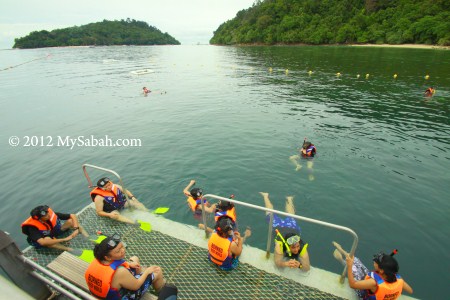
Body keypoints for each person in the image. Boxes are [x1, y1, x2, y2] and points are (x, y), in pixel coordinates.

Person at [85, 233, 165, 299]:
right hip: (124, 296)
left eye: (122, 247)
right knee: (157, 271)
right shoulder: (120, 272)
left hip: (101, 295)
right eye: (118, 251)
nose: (123, 251)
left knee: (134, 258)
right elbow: (136, 285)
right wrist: (147, 272)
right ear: (108, 257)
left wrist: (128, 264)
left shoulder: (99, 260)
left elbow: (112, 266)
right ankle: (160, 291)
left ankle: (139, 273)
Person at [332, 241, 413, 299]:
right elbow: (410, 291)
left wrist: (349, 266)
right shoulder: (399, 279)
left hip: (363, 292)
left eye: (376, 262)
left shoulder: (374, 283)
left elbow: (352, 285)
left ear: (381, 270)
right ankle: (342, 250)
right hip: (376, 288)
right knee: (355, 260)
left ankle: (340, 259)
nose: (374, 261)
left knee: (352, 268)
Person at [260, 192, 310, 271]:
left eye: (297, 246)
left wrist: (300, 265)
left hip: (292, 228)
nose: (296, 250)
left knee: (291, 216)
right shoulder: (280, 246)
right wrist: (285, 264)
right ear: (288, 245)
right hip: (278, 227)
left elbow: (307, 268)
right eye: (293, 247)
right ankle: (265, 196)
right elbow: (277, 263)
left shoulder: (302, 246)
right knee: (270, 214)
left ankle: (289, 199)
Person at [21, 205, 88, 252]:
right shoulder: (32, 228)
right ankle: (69, 249)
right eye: (46, 215)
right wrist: (64, 239)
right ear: (39, 219)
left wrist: (76, 228)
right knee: (48, 241)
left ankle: (87, 237)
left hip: (53, 232)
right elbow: (43, 242)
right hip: (44, 239)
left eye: (48, 213)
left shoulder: (51, 215)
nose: (48, 215)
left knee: (71, 221)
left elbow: (73, 216)